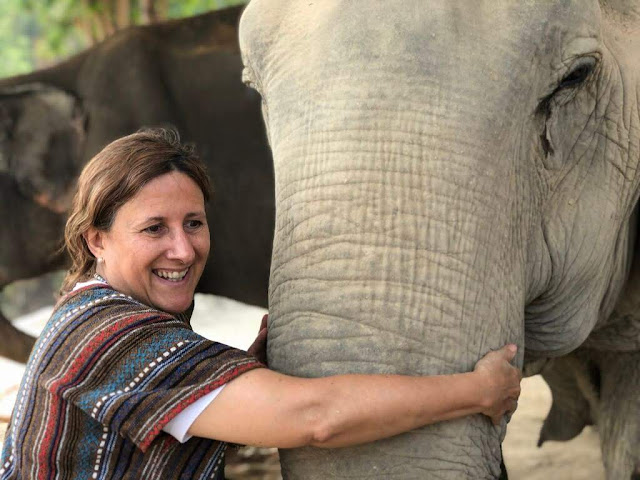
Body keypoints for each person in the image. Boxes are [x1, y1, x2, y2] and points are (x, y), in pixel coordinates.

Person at [0, 128, 521, 480]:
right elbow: (315, 419)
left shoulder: (87, 307)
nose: (183, 249)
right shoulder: (111, 336)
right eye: (154, 228)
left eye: (194, 224)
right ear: (97, 241)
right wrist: (476, 391)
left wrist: (246, 368)